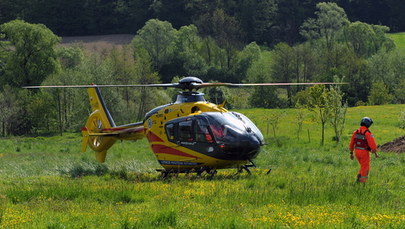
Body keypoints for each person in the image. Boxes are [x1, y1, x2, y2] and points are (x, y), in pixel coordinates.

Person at [349, 117, 379, 183]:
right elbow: (373, 145)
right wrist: (375, 152)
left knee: (363, 166)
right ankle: (362, 183)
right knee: (365, 167)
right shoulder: (367, 133)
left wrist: (351, 153)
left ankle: (358, 179)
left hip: (356, 152)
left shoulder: (355, 132)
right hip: (364, 153)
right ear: (368, 124)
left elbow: (351, 144)